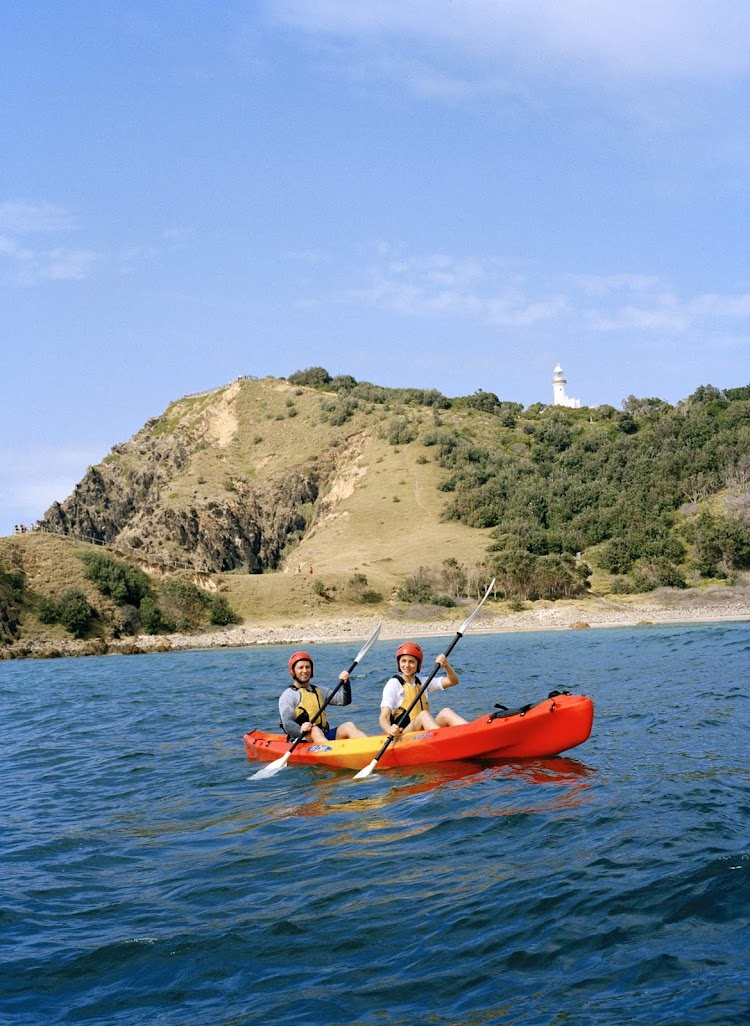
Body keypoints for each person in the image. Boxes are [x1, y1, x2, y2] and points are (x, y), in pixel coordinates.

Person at [379, 642, 467, 739]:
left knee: (446, 712)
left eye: (411, 662)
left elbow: (453, 681)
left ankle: (471, 733)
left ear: (418, 664)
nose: (407, 665)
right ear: (398, 663)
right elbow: (384, 716)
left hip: (422, 734)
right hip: (403, 735)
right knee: (423, 715)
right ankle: (444, 741)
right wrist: (389, 729)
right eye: (403, 661)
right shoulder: (393, 684)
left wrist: (446, 665)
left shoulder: (422, 682)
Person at [279, 651, 367, 743]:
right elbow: (287, 723)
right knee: (314, 729)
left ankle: (371, 747)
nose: (305, 671)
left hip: (323, 735)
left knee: (349, 726)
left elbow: (344, 701)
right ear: (293, 671)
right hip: (302, 739)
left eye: (307, 667)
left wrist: (346, 684)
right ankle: (332, 753)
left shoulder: (319, 691)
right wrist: (301, 729)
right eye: (300, 668)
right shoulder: (288, 695)